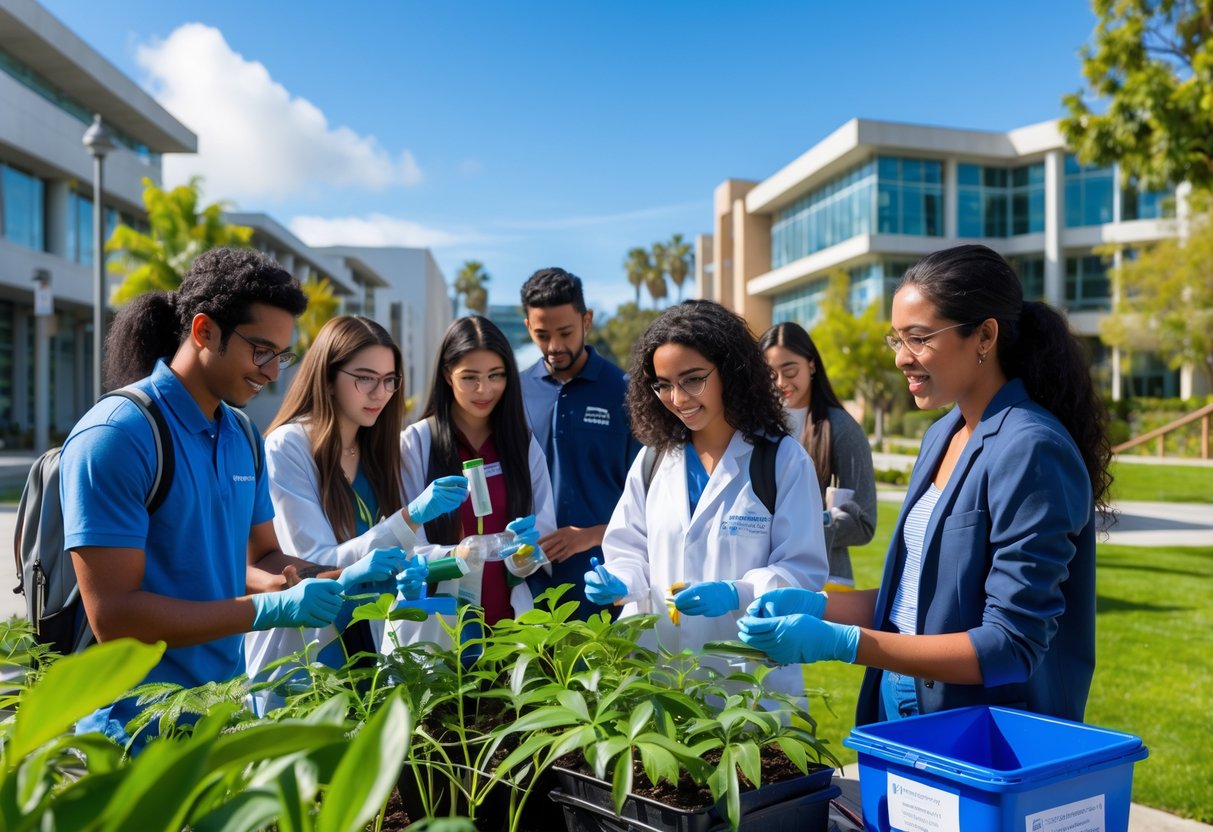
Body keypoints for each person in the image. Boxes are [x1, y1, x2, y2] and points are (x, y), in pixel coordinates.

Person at [739, 244, 1111, 724]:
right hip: (901, 702)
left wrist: (844, 645)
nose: (902, 359)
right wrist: (821, 607)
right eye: (897, 340)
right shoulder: (943, 433)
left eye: (918, 338)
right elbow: (920, 601)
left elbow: (1010, 644)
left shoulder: (1031, 449)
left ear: (984, 336)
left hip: (982, 727)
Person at [61, 248, 408, 746]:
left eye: (282, 355)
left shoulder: (242, 434)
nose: (273, 371)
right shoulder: (119, 435)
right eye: (261, 350)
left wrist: (338, 577)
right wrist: (265, 611)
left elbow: (262, 556)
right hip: (131, 727)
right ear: (204, 332)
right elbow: (115, 616)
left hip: (220, 713)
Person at [585, 300, 828, 697]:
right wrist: (618, 579)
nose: (677, 398)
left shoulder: (781, 460)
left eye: (692, 379)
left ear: (730, 372)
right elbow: (630, 549)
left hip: (749, 683)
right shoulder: (654, 459)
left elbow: (803, 571)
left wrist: (738, 593)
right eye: (663, 384)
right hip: (659, 678)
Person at [244, 315, 468, 700]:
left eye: (389, 380)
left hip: (370, 650)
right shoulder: (288, 446)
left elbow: (407, 554)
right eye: (364, 378)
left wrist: (469, 553)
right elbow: (310, 563)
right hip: (306, 655)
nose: (379, 393)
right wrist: (410, 517)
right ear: (329, 378)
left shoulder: (380, 452)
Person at [393, 315, 556, 644]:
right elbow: (402, 541)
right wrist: (456, 556)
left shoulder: (521, 443)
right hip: (439, 627)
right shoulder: (416, 443)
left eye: (496, 375)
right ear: (446, 374)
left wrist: (526, 550)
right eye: (470, 377)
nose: (485, 389)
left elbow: (545, 530)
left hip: (509, 628)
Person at [518, 267, 641, 619]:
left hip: (608, 583)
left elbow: (650, 500)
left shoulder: (626, 392)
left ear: (587, 321)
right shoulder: (514, 393)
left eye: (566, 332)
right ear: (528, 326)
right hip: (529, 587)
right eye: (542, 335)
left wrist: (589, 536)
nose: (555, 347)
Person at [759, 322, 876, 588]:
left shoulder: (842, 430)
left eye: (789, 370)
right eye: (769, 373)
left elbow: (864, 524)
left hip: (825, 583)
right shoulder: (756, 431)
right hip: (764, 580)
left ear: (811, 365)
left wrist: (797, 525)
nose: (780, 382)